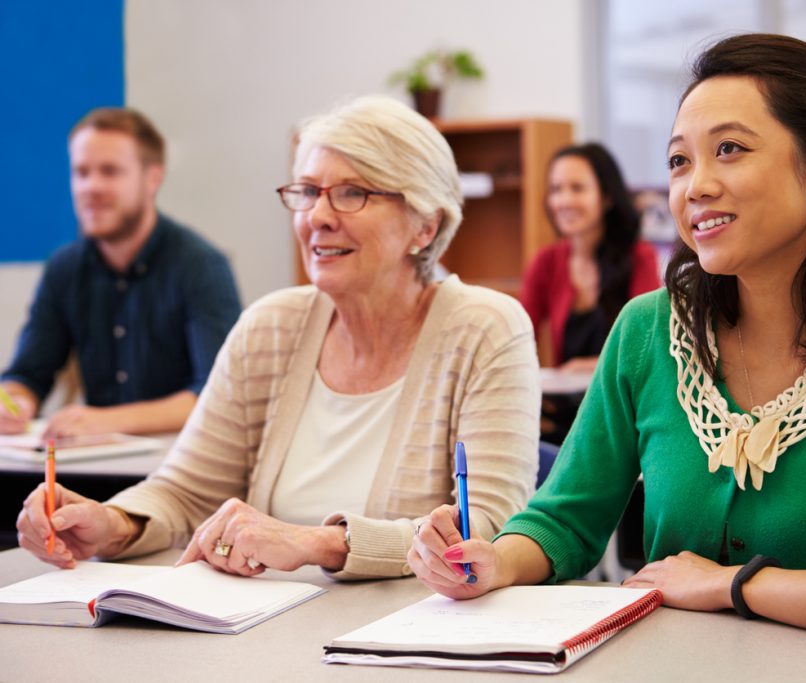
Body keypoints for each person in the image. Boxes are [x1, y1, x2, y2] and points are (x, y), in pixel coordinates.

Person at [408, 34, 806, 649]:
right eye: (679, 161)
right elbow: (564, 520)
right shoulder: (647, 331)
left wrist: (728, 585)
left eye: (730, 150)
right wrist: (493, 563)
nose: (695, 187)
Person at [16, 96, 540, 580]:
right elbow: (186, 490)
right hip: (262, 628)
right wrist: (113, 522)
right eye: (308, 191)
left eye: (352, 193)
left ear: (425, 225)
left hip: (412, 641)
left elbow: (486, 530)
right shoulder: (271, 326)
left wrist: (319, 544)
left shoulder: (485, 329)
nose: (317, 217)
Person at [0, 108, 242, 438]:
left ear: (153, 178)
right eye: (81, 172)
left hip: (177, 469)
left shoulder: (201, 266)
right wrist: (15, 402)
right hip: (94, 464)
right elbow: (28, 374)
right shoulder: (64, 268)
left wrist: (108, 419)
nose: (91, 187)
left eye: (110, 172)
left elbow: (218, 396)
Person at [520, 143, 661, 374]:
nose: (564, 201)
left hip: (626, 400)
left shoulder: (640, 257)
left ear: (606, 197)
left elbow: (649, 343)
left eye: (577, 188)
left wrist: (590, 368)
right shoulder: (545, 262)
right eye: (556, 189)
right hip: (566, 405)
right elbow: (519, 338)